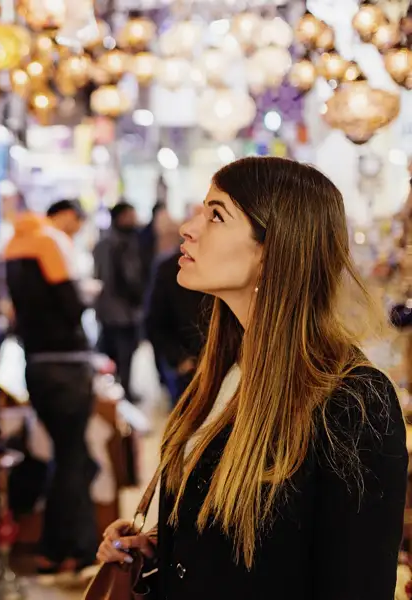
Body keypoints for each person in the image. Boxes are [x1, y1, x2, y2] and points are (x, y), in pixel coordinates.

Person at [96, 157, 407, 599]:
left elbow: (356, 581)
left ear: (273, 249)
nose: (189, 227)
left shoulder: (351, 399)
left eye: (216, 215)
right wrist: (159, 550)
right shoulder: (225, 367)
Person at [4, 200, 97, 574]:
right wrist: (84, 296)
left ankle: (61, 548)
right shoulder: (50, 241)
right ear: (64, 216)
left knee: (67, 455)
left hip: (37, 365)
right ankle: (67, 549)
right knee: (74, 459)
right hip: (67, 366)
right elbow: (71, 305)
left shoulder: (12, 245)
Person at [145, 208, 209, 404]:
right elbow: (154, 320)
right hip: (189, 367)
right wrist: (179, 359)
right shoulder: (169, 268)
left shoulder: (228, 271)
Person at [94, 202, 146, 401]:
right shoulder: (117, 243)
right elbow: (120, 279)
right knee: (122, 353)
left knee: (119, 353)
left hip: (115, 310)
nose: (134, 220)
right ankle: (121, 393)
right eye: (130, 215)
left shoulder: (115, 240)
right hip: (120, 310)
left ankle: (119, 392)